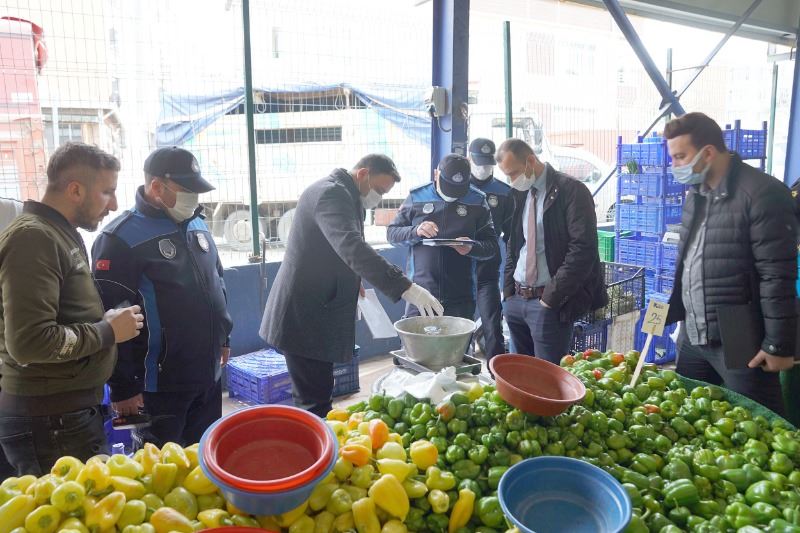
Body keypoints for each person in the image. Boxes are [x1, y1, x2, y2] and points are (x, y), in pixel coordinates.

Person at [260, 154, 442, 417]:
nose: (378, 197)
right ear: (362, 174)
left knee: (320, 391)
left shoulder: (347, 194)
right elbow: (352, 247)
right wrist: (407, 288)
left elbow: (334, 248)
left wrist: (353, 280)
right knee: (314, 402)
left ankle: (320, 433)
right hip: (303, 316)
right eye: (379, 190)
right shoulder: (331, 195)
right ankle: (318, 440)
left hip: (318, 309)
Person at [0, 142, 143, 475]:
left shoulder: (58, 233)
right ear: (75, 190)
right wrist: (107, 331)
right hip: (51, 422)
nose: (114, 204)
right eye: (107, 192)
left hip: (65, 415)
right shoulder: (33, 239)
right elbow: (30, 342)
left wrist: (103, 324)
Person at [92, 146, 233, 447]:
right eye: (187, 190)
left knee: (205, 457)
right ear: (157, 187)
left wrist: (224, 337)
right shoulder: (119, 239)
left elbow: (217, 281)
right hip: (157, 389)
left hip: (207, 375)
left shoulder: (197, 224)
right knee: (159, 466)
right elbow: (110, 319)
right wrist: (123, 388)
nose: (194, 198)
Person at [663, 112, 797, 414]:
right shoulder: (697, 193)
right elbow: (688, 261)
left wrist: (778, 344)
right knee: (687, 414)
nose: (675, 166)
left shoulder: (761, 194)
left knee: (758, 421)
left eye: (680, 157)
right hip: (693, 332)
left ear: (708, 152)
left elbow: (777, 275)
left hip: (738, 332)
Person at [496, 138, 606, 364]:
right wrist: (507, 292)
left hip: (547, 302)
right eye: (507, 175)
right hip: (516, 298)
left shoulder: (571, 191)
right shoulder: (520, 193)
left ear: (530, 161)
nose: (511, 180)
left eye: (514, 173)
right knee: (519, 372)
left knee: (547, 374)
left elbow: (582, 249)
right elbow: (514, 244)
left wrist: (551, 297)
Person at [388, 154, 498, 319]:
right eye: (449, 186)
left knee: (459, 336)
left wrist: (472, 248)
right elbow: (392, 234)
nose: (453, 194)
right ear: (436, 174)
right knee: (416, 336)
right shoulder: (417, 197)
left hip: (461, 297)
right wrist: (416, 231)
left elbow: (492, 247)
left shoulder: (478, 200)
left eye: (458, 188)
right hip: (421, 294)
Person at [468, 138, 513, 360]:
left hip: (488, 268)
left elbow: (511, 235)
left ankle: (497, 370)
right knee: (460, 324)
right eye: (479, 162)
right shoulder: (458, 188)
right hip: (459, 268)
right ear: (469, 159)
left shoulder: (504, 192)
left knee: (492, 322)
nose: (484, 168)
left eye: (488, 163)